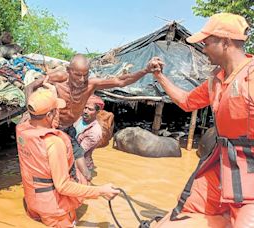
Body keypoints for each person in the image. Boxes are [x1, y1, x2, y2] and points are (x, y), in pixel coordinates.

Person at [152, 13, 254, 227]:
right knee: (184, 212)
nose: (203, 48)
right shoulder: (216, 81)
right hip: (223, 163)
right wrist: (160, 77)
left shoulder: (250, 78)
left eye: (207, 43)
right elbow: (187, 102)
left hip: (250, 171)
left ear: (225, 42)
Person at [16, 88, 120, 227]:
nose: (58, 113)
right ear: (49, 115)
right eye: (55, 110)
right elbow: (63, 186)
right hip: (54, 210)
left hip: (32, 201)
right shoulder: (53, 142)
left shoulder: (22, 129)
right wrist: (100, 190)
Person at [26, 54, 163, 129]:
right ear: (68, 71)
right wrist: (30, 110)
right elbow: (30, 87)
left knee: (76, 166)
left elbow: (121, 81)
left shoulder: (91, 84)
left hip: (69, 127)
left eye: (85, 75)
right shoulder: (59, 78)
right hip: (49, 125)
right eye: (77, 75)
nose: (81, 79)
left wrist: (145, 70)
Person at [73, 95, 104, 172]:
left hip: (81, 165)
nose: (86, 111)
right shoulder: (78, 118)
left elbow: (79, 152)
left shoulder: (95, 132)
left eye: (90, 109)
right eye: (85, 108)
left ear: (98, 112)